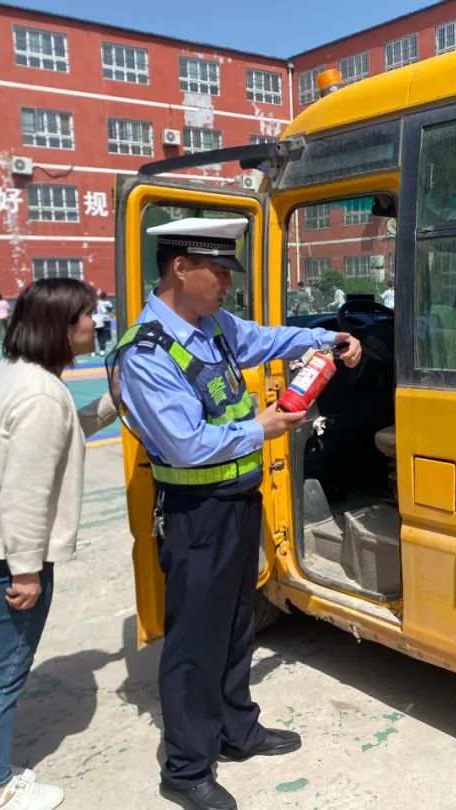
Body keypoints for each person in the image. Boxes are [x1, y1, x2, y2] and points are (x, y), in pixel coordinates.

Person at [114, 218, 362, 810]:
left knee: (234, 626)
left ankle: (236, 730)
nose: (227, 284)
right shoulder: (146, 350)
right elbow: (184, 443)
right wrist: (264, 427)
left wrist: (324, 340)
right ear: (180, 268)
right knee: (194, 642)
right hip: (196, 513)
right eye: (219, 272)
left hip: (237, 502)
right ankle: (185, 767)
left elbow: (266, 339)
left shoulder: (214, 326)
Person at [0, 278, 118, 810]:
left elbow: (58, 437)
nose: (96, 323)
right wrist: (26, 572)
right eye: (88, 315)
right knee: (2, 670)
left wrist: (113, 403)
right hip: (8, 553)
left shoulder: (18, 373)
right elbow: (26, 493)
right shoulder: (43, 395)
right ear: (62, 327)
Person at [92, 291, 114, 356]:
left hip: (91, 322)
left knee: (91, 338)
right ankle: (102, 350)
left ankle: (92, 351)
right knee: (101, 336)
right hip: (99, 322)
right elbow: (105, 311)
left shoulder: (87, 303)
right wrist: (110, 314)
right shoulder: (99, 303)